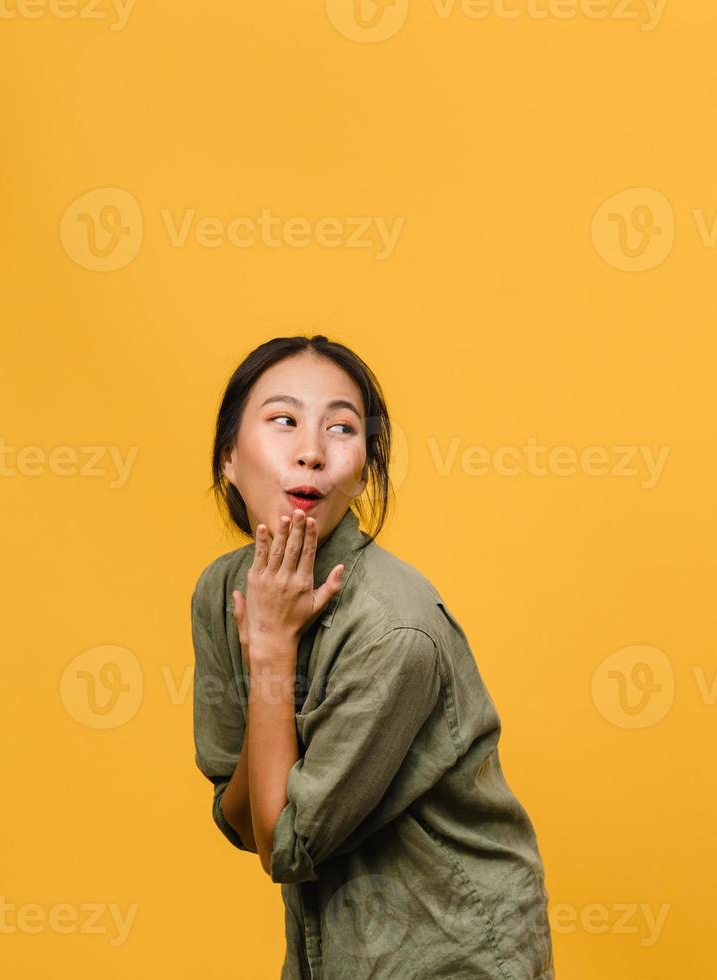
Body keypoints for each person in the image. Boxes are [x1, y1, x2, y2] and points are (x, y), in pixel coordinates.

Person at [190, 334, 555, 978]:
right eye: (284, 421)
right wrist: (268, 657)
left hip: (456, 949)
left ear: (363, 467)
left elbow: (284, 845)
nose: (311, 452)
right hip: (336, 946)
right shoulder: (223, 592)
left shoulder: (394, 629)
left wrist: (271, 655)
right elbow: (241, 818)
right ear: (228, 457)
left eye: (341, 428)